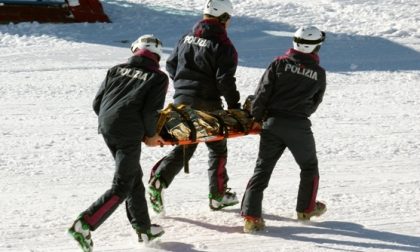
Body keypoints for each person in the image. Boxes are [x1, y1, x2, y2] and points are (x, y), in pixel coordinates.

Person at [68, 34, 168, 251]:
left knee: (133, 176)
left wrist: (111, 122)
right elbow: (152, 111)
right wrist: (151, 135)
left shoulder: (115, 69)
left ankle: (143, 228)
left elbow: (97, 103)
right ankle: (84, 224)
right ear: (157, 57)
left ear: (135, 50)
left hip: (107, 126)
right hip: (128, 131)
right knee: (122, 186)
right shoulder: (158, 77)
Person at [148, 0, 241, 214]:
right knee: (217, 147)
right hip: (208, 102)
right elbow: (225, 80)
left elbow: (171, 64)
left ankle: (160, 180)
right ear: (224, 19)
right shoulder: (224, 46)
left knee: (186, 143)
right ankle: (218, 195)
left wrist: (183, 87)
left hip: (181, 100)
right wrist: (235, 106)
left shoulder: (185, 37)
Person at [240, 26, 328, 233]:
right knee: (309, 167)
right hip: (298, 126)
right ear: (316, 46)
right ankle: (306, 210)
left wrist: (256, 119)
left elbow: (262, 93)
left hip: (271, 124)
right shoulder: (319, 73)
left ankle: (251, 218)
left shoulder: (279, 63)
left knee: (262, 170)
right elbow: (315, 103)